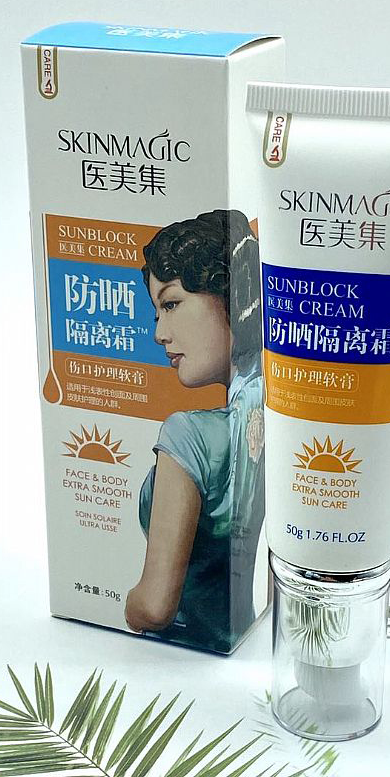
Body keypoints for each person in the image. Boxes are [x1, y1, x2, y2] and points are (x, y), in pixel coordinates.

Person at [124, 209, 265, 652]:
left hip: (176, 657)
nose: (159, 334)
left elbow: (154, 606)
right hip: (254, 634)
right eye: (156, 313)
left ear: (230, 295)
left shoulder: (189, 435)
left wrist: (123, 603)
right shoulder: (278, 411)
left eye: (171, 304)